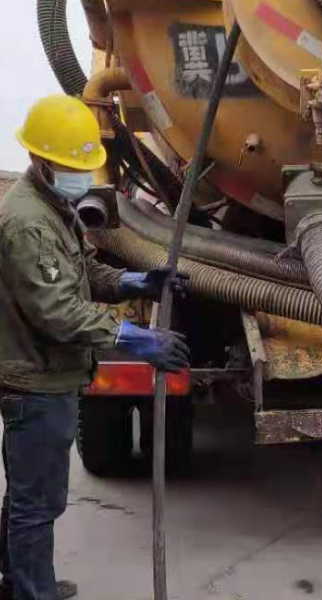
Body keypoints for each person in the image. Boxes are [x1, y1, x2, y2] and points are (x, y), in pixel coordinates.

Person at [0, 95, 190, 600]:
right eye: (71, 167)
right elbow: (57, 312)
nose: (80, 176)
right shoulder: (28, 222)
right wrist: (134, 338)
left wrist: (133, 281)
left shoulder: (52, 206)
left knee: (30, 495)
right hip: (36, 379)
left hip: (48, 373)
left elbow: (82, 276)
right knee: (37, 502)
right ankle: (31, 591)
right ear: (42, 160)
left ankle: (20, 580)